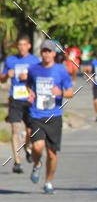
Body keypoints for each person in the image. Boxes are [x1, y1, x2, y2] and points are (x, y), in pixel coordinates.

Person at [27, 39, 74, 193]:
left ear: (54, 53)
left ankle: (48, 182)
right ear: (41, 53)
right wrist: (30, 93)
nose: (46, 54)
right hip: (37, 114)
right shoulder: (34, 69)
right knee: (37, 146)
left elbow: (70, 92)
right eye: (44, 51)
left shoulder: (61, 70)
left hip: (54, 115)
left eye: (49, 51)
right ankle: (37, 164)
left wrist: (60, 92)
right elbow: (28, 85)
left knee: (52, 153)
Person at [1, 34, 38, 173]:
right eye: (19, 45)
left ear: (29, 46)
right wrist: (6, 76)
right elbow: (2, 79)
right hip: (15, 99)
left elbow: (39, 79)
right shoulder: (10, 60)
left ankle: (27, 148)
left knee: (30, 131)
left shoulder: (35, 61)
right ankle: (17, 162)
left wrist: (28, 77)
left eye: (24, 45)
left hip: (29, 99)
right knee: (15, 129)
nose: (21, 48)